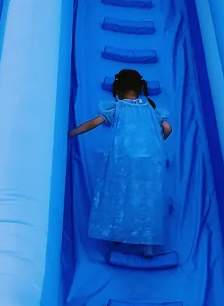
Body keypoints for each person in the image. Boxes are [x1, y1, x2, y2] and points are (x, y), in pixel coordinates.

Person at [69, 69, 172, 255]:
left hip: (123, 158)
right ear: (140, 88)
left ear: (117, 89)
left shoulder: (117, 107)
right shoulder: (151, 108)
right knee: (147, 195)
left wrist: (70, 133)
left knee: (121, 193)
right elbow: (167, 128)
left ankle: (118, 233)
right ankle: (147, 245)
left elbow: (93, 123)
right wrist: (157, 143)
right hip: (150, 158)